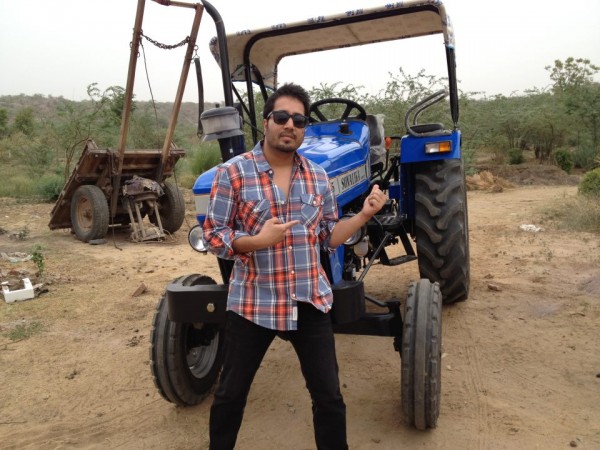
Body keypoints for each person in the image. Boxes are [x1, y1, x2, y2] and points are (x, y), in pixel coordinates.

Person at [203, 83, 387, 450]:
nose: (290, 125)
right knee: (229, 396)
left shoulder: (318, 176)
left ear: (304, 128)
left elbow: (329, 236)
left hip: (309, 299)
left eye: (299, 120)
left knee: (329, 399)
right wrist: (256, 241)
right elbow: (213, 235)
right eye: (282, 117)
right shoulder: (232, 174)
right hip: (254, 302)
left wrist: (365, 214)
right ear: (267, 122)